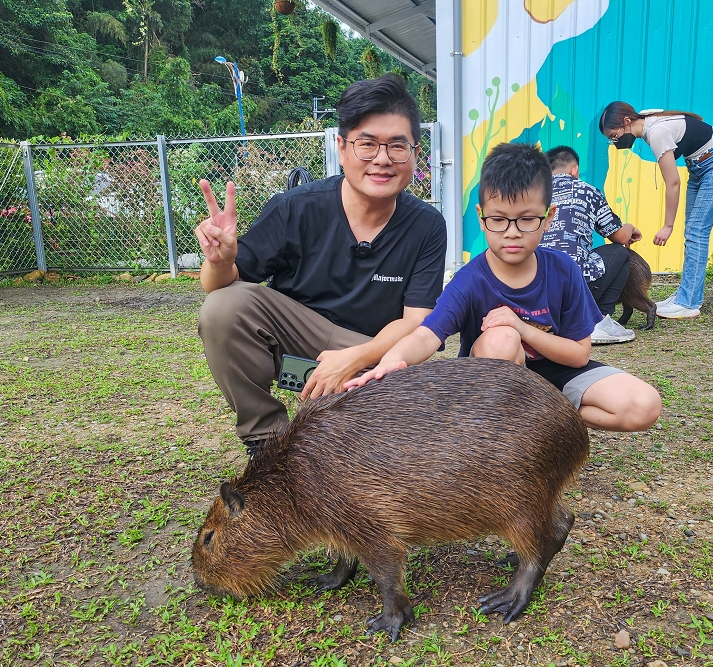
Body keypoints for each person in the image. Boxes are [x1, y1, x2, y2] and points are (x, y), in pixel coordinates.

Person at [193, 73, 447, 456]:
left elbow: (417, 321)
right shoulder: (295, 207)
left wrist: (352, 360)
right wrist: (220, 260)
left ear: (414, 153)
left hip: (368, 352)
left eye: (398, 146)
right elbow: (219, 286)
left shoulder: (426, 225)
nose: (382, 159)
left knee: (406, 439)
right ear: (342, 148)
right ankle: (266, 442)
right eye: (367, 144)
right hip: (296, 342)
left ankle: (333, 410)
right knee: (223, 307)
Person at [346, 143, 662, 433]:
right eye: (499, 220)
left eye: (526, 220)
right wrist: (392, 360)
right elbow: (426, 334)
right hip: (491, 381)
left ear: (548, 217)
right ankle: (499, 435)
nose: (512, 233)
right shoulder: (471, 279)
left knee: (643, 405)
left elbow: (579, 355)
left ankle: (541, 416)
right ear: (481, 218)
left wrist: (522, 328)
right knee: (501, 339)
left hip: (555, 377)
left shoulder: (563, 270)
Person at [599, 102, 713, 319]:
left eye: (614, 135)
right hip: (702, 164)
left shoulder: (656, 132)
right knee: (694, 232)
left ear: (627, 122)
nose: (615, 141)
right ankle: (685, 294)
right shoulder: (650, 119)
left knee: (697, 231)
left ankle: (689, 302)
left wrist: (668, 226)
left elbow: (673, 183)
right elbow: (691, 127)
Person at [541, 145, 641, 344]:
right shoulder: (587, 191)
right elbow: (620, 237)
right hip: (574, 283)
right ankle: (598, 321)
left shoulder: (534, 193)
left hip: (537, 286)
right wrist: (630, 228)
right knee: (619, 253)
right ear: (575, 169)